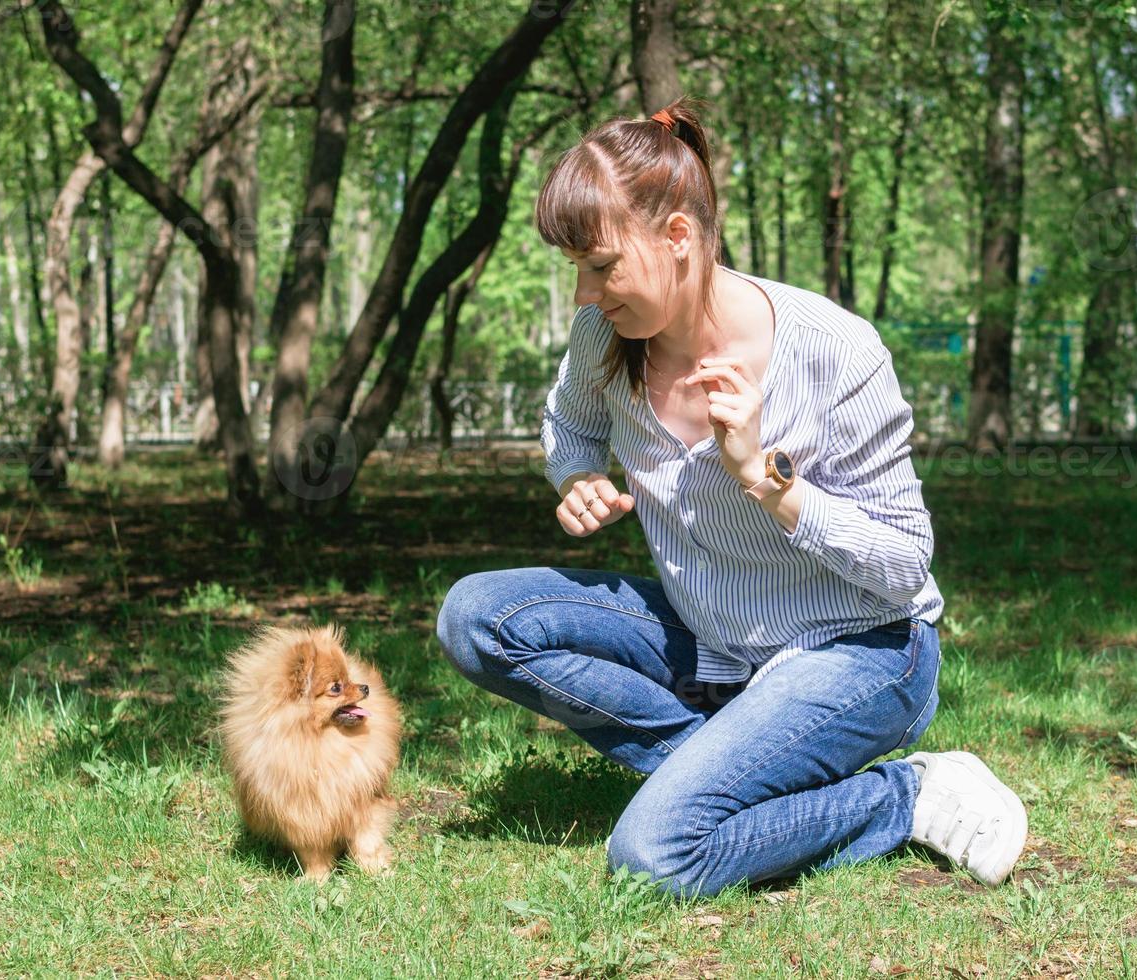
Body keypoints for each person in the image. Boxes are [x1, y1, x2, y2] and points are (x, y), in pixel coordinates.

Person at [435, 97, 1026, 900]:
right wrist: (574, 478)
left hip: (861, 648)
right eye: (576, 268)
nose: (585, 293)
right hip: (712, 638)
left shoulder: (836, 353)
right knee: (475, 617)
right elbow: (566, 424)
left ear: (678, 237)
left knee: (656, 857)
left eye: (602, 266)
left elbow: (904, 568)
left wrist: (764, 478)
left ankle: (909, 794)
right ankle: (729, 763)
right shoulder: (604, 337)